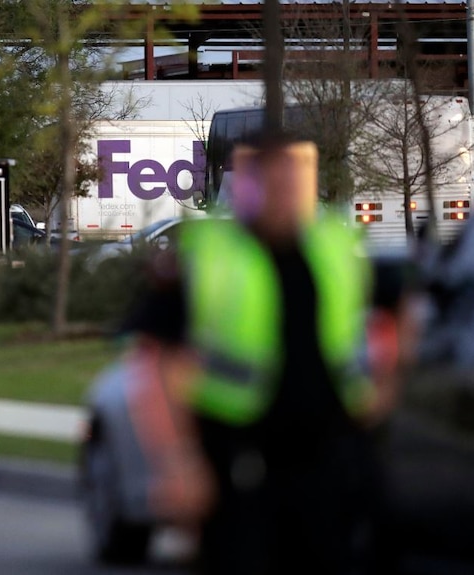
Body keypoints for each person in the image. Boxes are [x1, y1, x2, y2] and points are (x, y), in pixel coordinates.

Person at [125, 132, 405, 574]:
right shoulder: (210, 254)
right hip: (241, 463)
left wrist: (386, 384)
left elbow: (398, 307)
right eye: (273, 183)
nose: (286, 194)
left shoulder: (334, 247)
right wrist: (178, 461)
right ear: (248, 187)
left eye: (295, 182)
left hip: (328, 457)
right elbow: (157, 360)